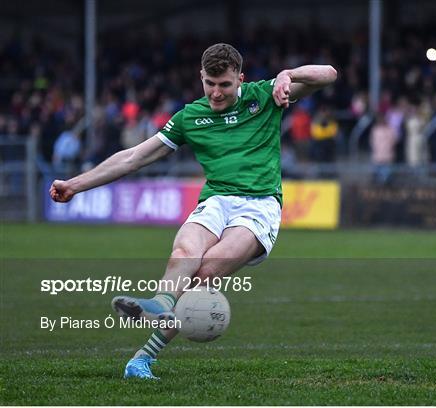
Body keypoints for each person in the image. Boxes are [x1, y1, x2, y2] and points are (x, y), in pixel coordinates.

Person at [49, 43, 337, 379]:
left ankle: (144, 356)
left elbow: (328, 75)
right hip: (216, 200)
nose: (216, 93)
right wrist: (75, 184)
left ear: (240, 79)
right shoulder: (190, 117)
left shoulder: (264, 95)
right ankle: (158, 308)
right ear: (200, 77)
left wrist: (287, 75)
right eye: (209, 84)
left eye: (225, 85)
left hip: (259, 207)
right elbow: (133, 158)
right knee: (184, 252)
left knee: (205, 274)